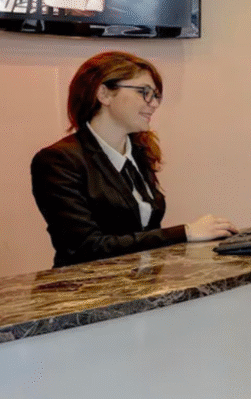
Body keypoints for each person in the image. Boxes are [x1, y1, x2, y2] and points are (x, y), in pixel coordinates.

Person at [31, 51, 237, 267]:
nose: (154, 103)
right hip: (85, 294)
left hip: (140, 287)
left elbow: (143, 233)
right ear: (104, 94)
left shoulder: (139, 151)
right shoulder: (57, 161)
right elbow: (86, 247)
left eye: (156, 95)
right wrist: (185, 232)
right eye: (144, 92)